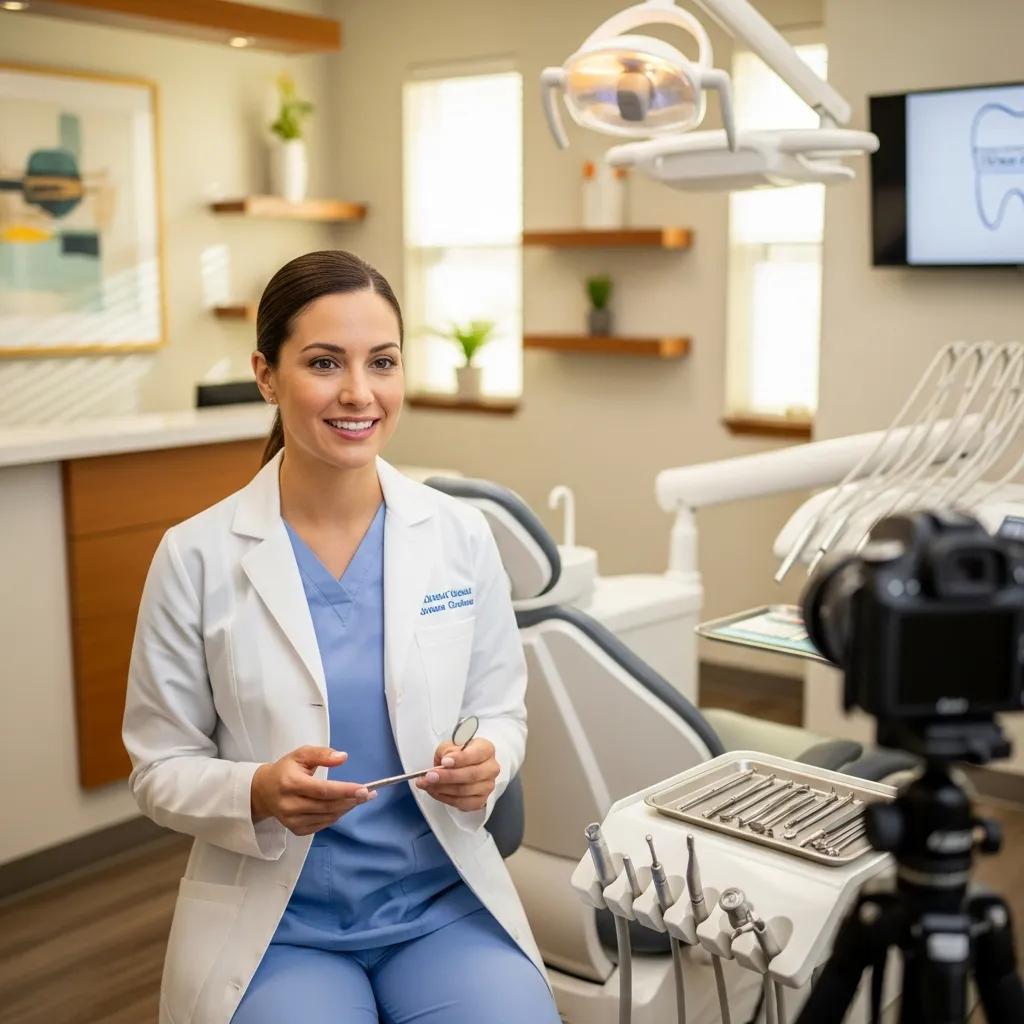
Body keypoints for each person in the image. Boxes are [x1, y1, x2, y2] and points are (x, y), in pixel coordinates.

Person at [122, 250, 560, 1024]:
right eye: (325, 363)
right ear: (267, 376)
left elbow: (501, 710)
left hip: (442, 905)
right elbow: (160, 768)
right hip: (280, 927)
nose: (359, 393)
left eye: (381, 362)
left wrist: (488, 760)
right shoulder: (195, 555)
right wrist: (256, 790)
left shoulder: (458, 535)